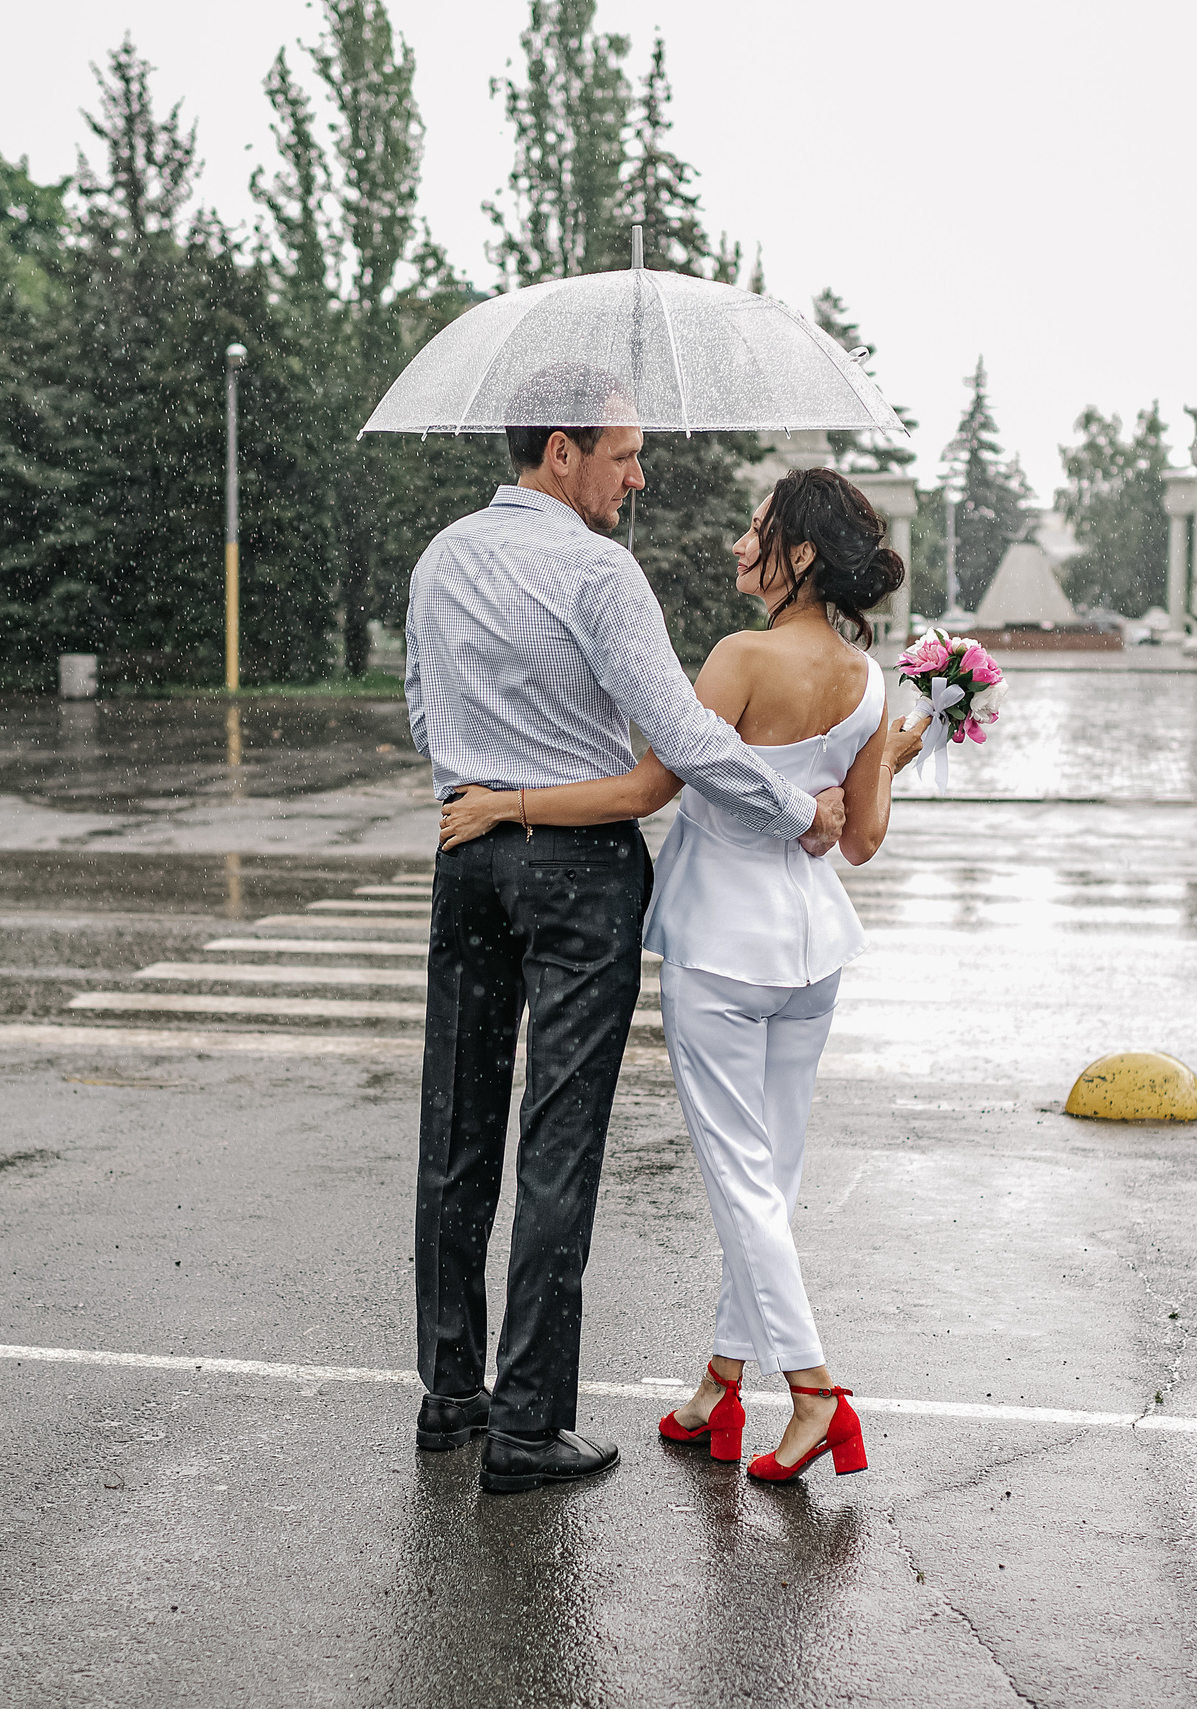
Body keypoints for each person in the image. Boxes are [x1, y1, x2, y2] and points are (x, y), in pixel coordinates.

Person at [405, 371, 850, 1496]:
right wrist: (800, 808)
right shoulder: (599, 571)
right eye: (623, 454)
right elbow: (686, 739)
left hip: (467, 848)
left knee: (455, 1122)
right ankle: (525, 1422)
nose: (637, 476)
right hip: (578, 872)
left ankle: (449, 1393)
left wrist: (492, 770)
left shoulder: (441, 556)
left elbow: (422, 714)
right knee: (558, 1140)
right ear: (561, 452)